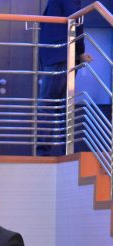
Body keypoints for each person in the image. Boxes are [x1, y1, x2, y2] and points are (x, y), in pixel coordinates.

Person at [37, 0, 92, 155]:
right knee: (61, 104)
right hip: (59, 55)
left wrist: (80, 51)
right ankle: (64, 150)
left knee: (48, 103)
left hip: (60, 54)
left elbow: (76, 20)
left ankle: (44, 151)